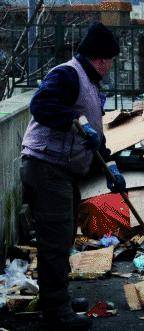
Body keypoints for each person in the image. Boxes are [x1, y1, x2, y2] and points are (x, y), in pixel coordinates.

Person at [19, 21, 123, 330]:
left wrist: (110, 164)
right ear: (101, 59)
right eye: (111, 60)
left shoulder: (89, 83)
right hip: (46, 168)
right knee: (55, 241)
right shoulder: (66, 74)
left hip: (61, 172)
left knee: (62, 239)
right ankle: (56, 314)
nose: (111, 66)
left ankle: (58, 297)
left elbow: (93, 135)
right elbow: (41, 106)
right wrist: (75, 118)